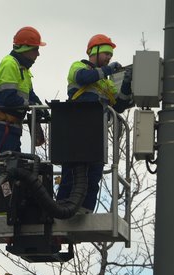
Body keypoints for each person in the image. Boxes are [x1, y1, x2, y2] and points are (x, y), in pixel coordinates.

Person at [56, 34, 134, 213]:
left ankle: (85, 210)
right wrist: (107, 70)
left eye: (111, 56)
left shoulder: (105, 83)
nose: (109, 58)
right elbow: (83, 78)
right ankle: (61, 208)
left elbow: (119, 105)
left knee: (94, 174)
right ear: (94, 51)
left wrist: (126, 86)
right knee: (72, 174)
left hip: (95, 133)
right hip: (76, 129)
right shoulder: (78, 66)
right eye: (106, 54)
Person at [0, 26, 47, 159]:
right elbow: (8, 98)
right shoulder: (10, 64)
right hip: (4, 127)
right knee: (4, 169)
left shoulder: (24, 69)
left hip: (13, 127)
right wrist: (31, 105)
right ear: (26, 49)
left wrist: (41, 108)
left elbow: (30, 94)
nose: (38, 54)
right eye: (36, 49)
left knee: (15, 169)